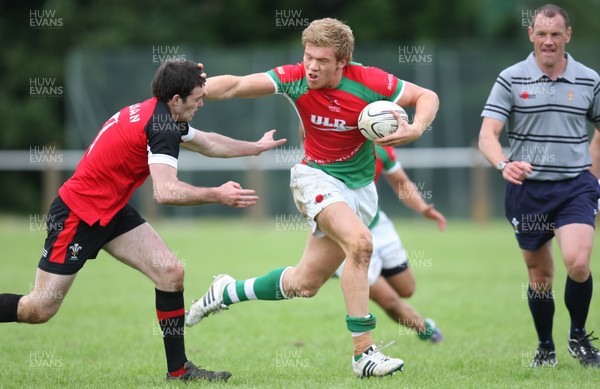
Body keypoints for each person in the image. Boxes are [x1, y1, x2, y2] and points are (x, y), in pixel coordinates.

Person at [0, 60, 286, 381]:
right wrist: (217, 194)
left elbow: (207, 142)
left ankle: (178, 372)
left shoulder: (162, 113)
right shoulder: (161, 125)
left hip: (112, 211)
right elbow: (166, 192)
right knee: (38, 310)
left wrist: (256, 148)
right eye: (197, 98)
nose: (202, 103)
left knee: (170, 272)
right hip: (77, 216)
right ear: (176, 100)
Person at [186, 18, 439, 378]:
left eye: (322, 60)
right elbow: (238, 85)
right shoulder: (295, 77)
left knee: (304, 284)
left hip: (360, 190)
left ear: (343, 61)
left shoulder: (370, 82)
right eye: (308, 56)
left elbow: (427, 96)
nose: (312, 66)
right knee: (361, 244)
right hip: (314, 177)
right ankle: (363, 353)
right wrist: (194, 87)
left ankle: (226, 291)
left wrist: (415, 127)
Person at [478, 4, 600, 368]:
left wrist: (594, 175)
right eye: (542, 34)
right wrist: (503, 163)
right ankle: (545, 347)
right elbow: (487, 135)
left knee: (578, 263)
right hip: (528, 190)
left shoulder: (589, 79)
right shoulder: (510, 78)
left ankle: (578, 336)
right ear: (531, 34)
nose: (548, 41)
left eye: (555, 34)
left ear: (568, 36)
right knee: (540, 276)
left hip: (575, 187)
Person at [334, 144, 445, 343]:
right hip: (346, 238)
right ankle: (425, 329)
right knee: (390, 301)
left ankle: (367, 270)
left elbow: (400, 183)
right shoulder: (322, 154)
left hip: (379, 228)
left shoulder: (379, 147)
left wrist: (422, 208)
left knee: (406, 289)